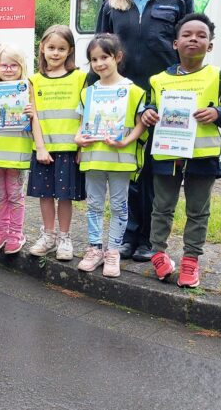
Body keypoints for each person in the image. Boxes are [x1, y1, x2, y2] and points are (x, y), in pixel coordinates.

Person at [96, 0, 194, 262]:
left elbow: (188, 45)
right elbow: (99, 51)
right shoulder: (112, 3)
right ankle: (127, 235)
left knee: (155, 169)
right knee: (128, 168)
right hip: (122, 99)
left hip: (163, 97)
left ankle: (151, 239)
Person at [141, 13, 221, 288]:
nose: (194, 39)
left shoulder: (219, 76)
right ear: (175, 43)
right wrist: (148, 114)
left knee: (198, 210)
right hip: (167, 155)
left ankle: (191, 260)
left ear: (210, 45)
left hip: (202, 157)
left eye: (201, 35)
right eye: (187, 35)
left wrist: (218, 112)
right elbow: (150, 106)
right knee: (162, 207)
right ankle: (159, 254)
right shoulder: (158, 79)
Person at [74, 35, 147, 278]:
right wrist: (78, 139)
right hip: (93, 158)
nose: (99, 63)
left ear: (117, 57)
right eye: (93, 59)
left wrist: (127, 140)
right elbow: (81, 124)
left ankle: (113, 251)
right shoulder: (88, 93)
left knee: (119, 206)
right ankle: (95, 248)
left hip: (120, 159)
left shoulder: (134, 91)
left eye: (104, 57)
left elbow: (141, 124)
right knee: (94, 205)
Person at [26, 25, 88, 261]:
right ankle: (48, 235)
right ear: (42, 48)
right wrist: (40, 146)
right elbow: (34, 117)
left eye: (61, 49)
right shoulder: (34, 80)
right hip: (44, 149)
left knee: (65, 196)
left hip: (69, 149)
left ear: (70, 50)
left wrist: (81, 147)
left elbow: (85, 114)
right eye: (51, 47)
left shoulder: (80, 77)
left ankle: (64, 237)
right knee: (45, 195)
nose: (55, 53)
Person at [0, 45, 35, 255]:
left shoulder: (28, 90)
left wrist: (31, 114)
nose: (9, 69)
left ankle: (16, 233)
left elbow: (36, 124)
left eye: (14, 65)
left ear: (22, 67)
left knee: (14, 194)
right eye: (4, 65)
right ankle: (1, 230)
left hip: (17, 152)